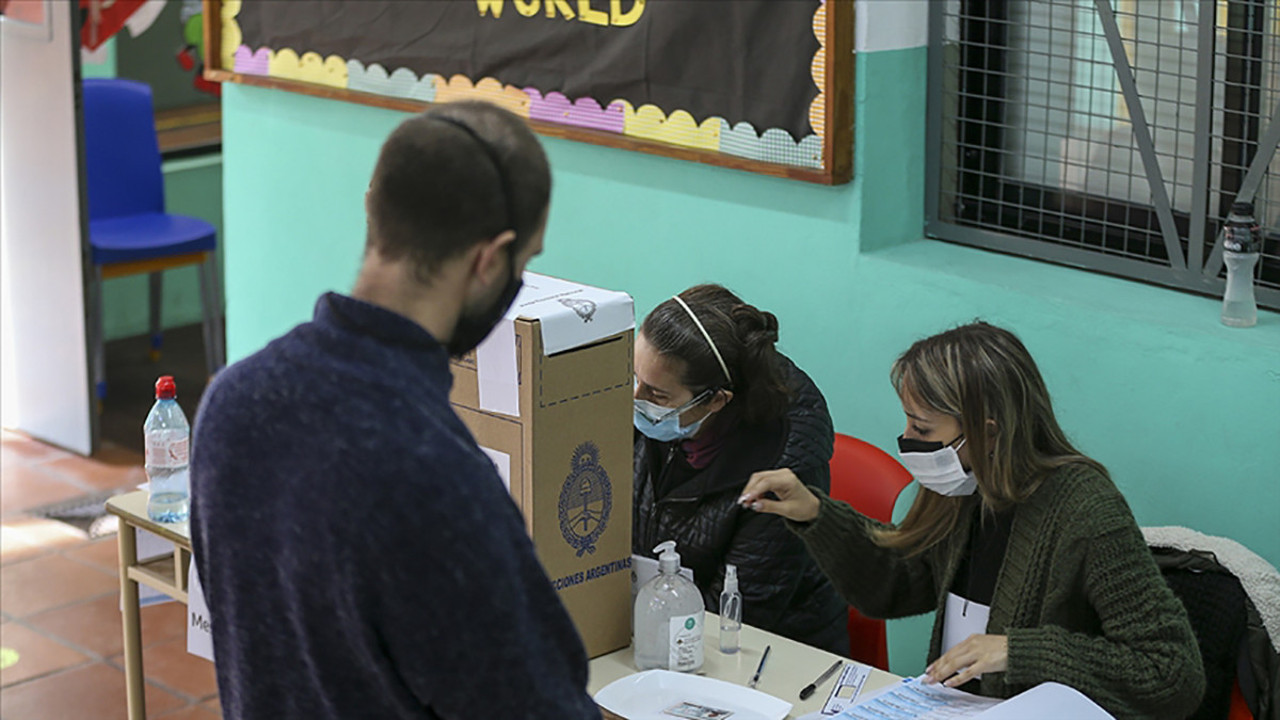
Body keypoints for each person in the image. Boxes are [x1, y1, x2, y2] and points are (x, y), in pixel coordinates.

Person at [189, 102, 600, 719]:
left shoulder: (231, 402)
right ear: (489, 260)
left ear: (372, 208)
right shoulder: (434, 474)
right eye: (526, 262)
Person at [739, 321, 1205, 719]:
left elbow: (1172, 673)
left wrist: (1016, 652)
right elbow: (894, 585)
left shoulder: (1086, 510)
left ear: (988, 434)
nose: (907, 441)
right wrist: (818, 514)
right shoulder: (961, 486)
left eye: (922, 429)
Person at [632, 284, 848, 655]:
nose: (635, 398)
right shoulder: (663, 413)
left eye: (657, 394)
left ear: (716, 400)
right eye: (634, 376)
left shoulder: (783, 469)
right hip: (650, 627)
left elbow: (739, 615)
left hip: (761, 654)